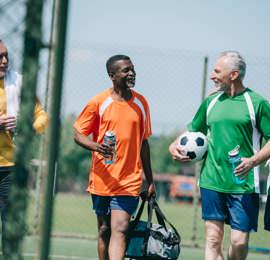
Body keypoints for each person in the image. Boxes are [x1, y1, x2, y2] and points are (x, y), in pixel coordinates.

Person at [169, 51, 270, 260]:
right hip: (211, 180)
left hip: (244, 184)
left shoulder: (257, 103)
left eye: (217, 71)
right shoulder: (211, 102)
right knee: (213, 239)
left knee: (238, 242)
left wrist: (253, 161)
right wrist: (173, 145)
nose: (212, 76)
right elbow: (193, 131)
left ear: (233, 75)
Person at [73, 54, 155, 260]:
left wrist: (150, 180)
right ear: (112, 75)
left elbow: (144, 143)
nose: (132, 73)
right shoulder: (99, 102)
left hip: (129, 180)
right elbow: (78, 135)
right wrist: (97, 147)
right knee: (104, 230)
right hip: (102, 178)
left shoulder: (142, 103)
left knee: (120, 228)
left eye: (133, 69)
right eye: (126, 70)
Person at [0, 40, 48, 255]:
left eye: (7, 56)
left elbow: (42, 118)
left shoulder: (19, 82)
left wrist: (23, 125)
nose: (4, 61)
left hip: (12, 166)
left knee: (10, 223)